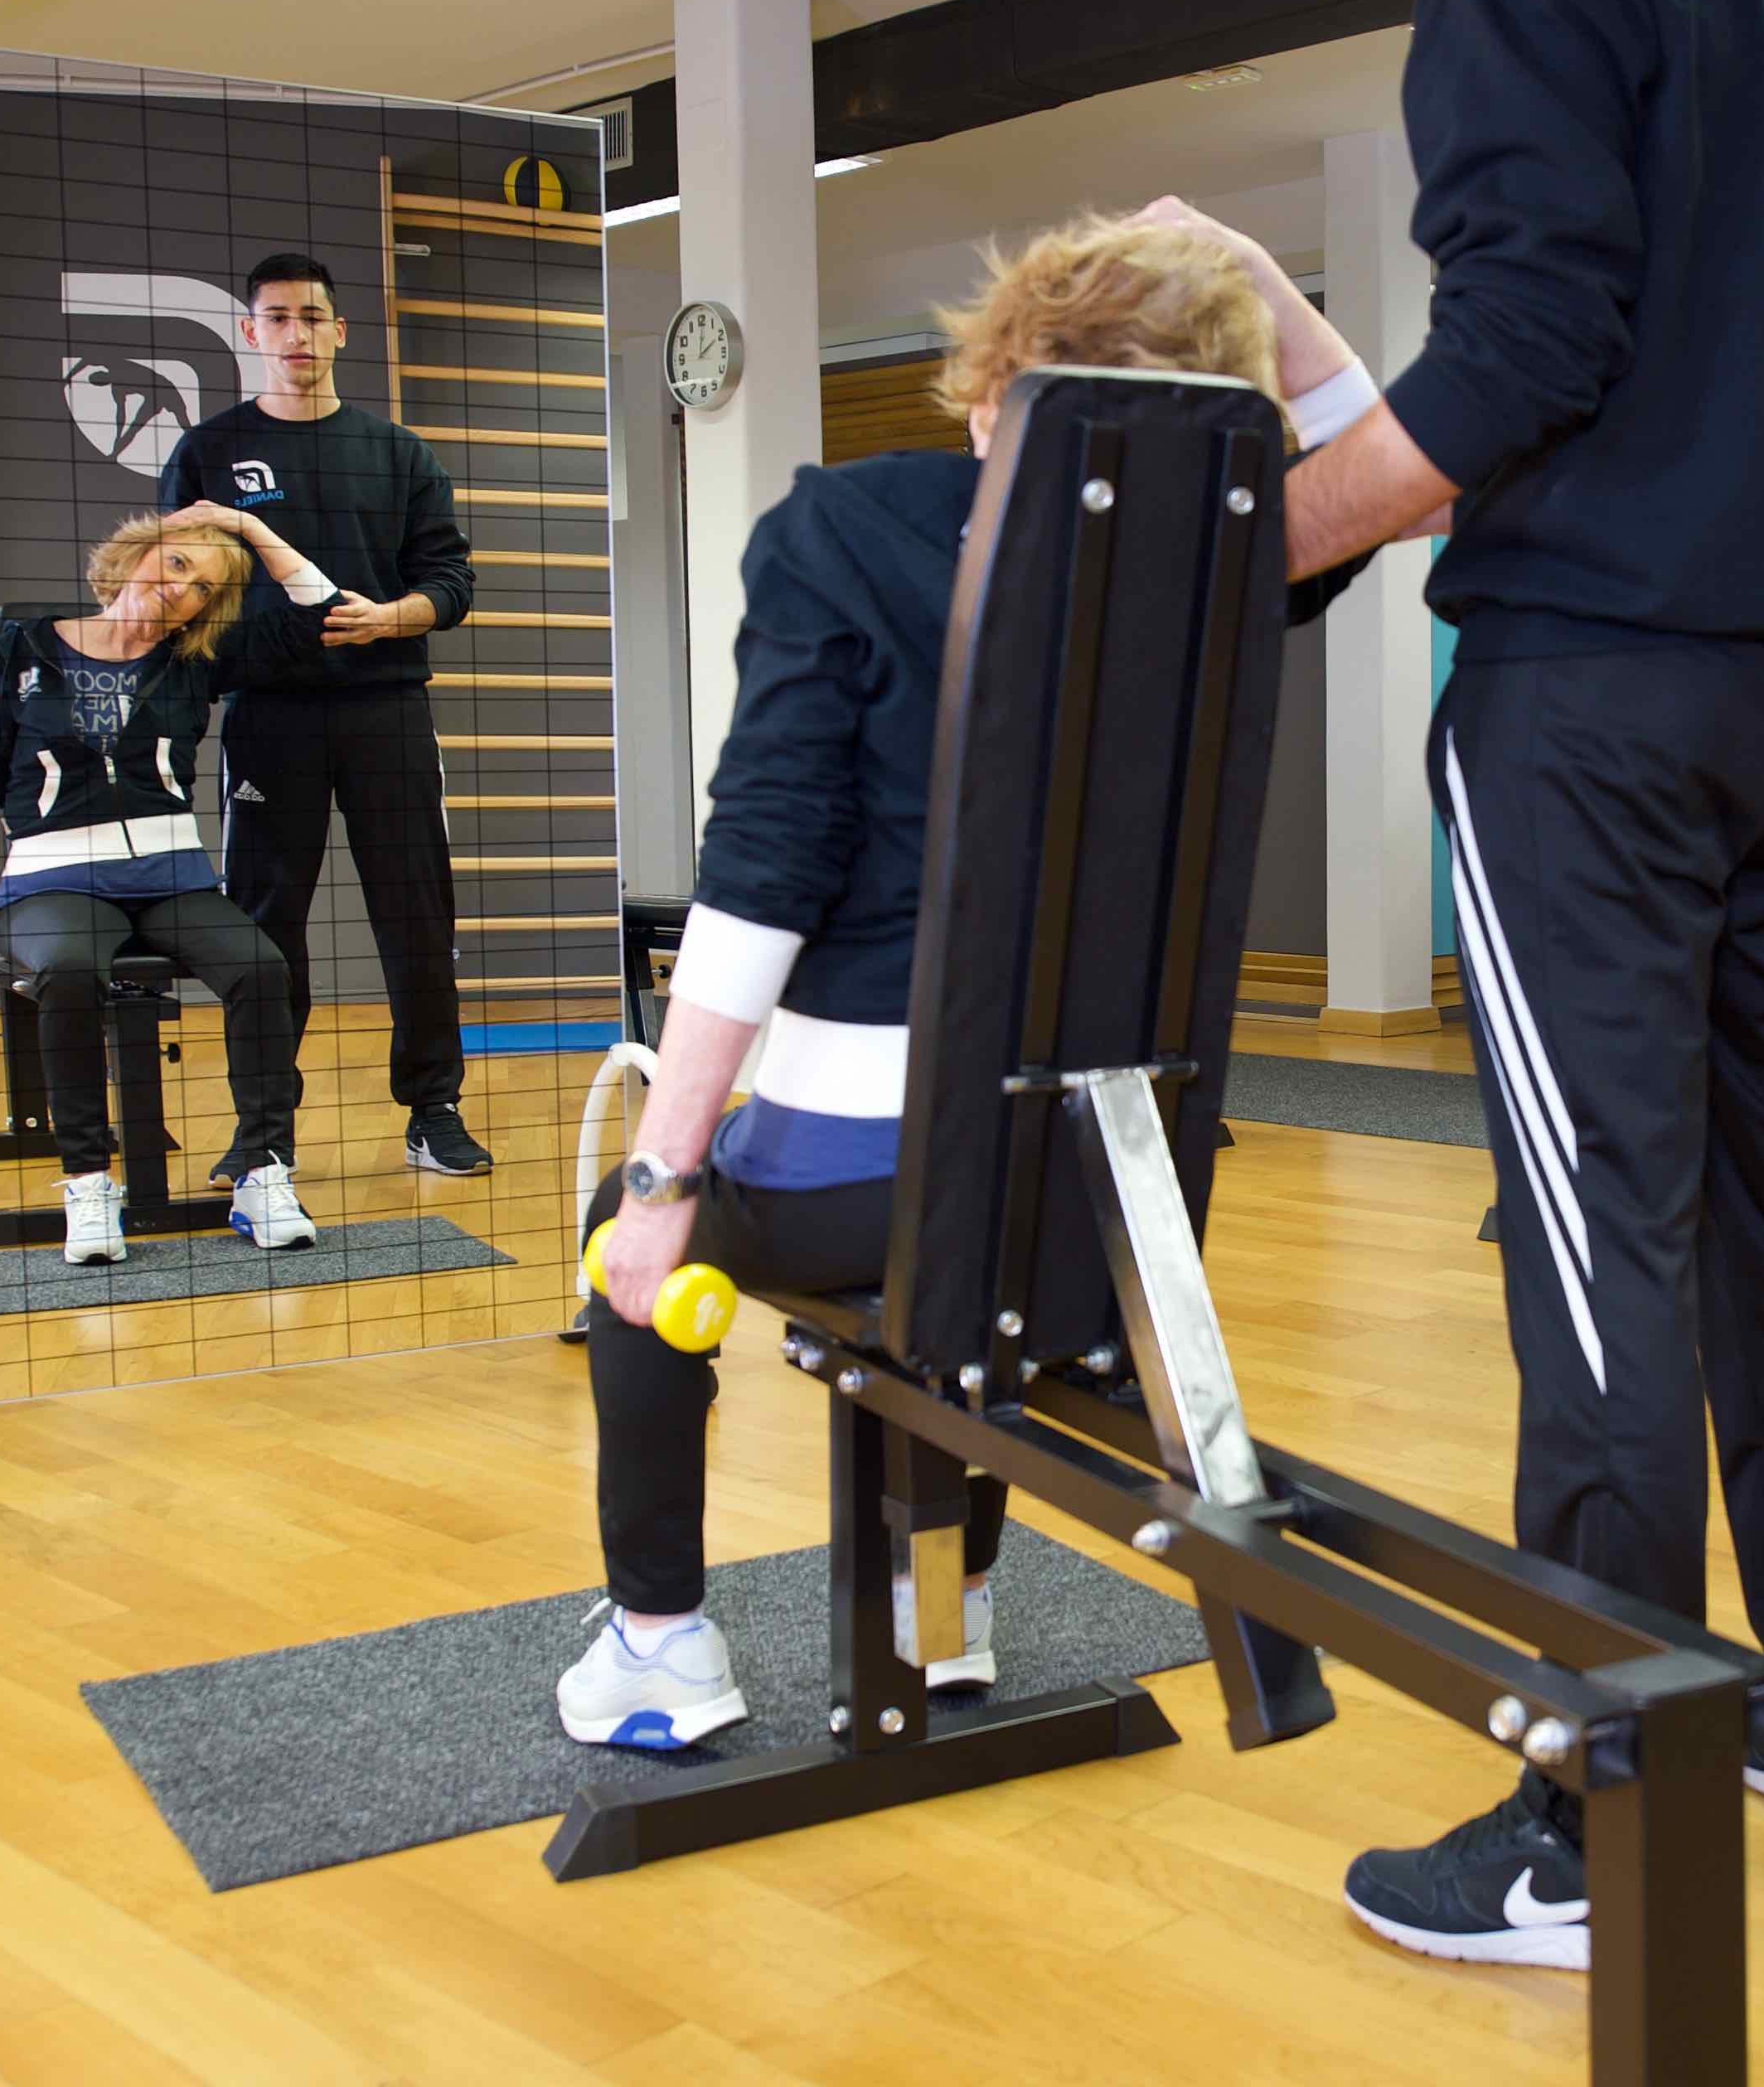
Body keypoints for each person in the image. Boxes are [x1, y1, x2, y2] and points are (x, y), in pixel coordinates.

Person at [1240, 0, 1764, 1972]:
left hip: (1602, 708)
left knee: (1601, 1235)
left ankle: (1593, 1819)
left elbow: (1536, 343)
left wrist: (1267, 540)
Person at [557, 211, 1382, 1751]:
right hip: (1106, 1197)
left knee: (633, 1230)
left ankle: (661, 1648)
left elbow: (766, 862)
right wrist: (1251, 275)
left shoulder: (849, 526)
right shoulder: (1226, 551)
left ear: (991, 387)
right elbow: (1393, 464)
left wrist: (666, 1168)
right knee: (972, 1278)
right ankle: (947, 1621)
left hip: (856, 1173)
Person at [157, 249, 492, 1184]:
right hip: (269, 719)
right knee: (264, 925)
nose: (297, 334)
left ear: (340, 330)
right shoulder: (208, 454)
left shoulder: (398, 453)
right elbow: (176, 582)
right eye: (278, 318)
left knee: (416, 917)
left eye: (313, 317)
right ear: (251, 333)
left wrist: (390, 617)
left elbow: (453, 583)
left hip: (385, 710)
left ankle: (434, 1109)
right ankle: (262, 1129)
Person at [0, 512, 337, 1265]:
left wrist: (242, 524)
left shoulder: (196, 661)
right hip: (53, 878)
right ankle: (88, 1183)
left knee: (262, 969)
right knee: (70, 972)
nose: (179, 587)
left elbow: (321, 608)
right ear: (135, 555)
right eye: (176, 562)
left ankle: (264, 1172)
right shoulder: (21, 649)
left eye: (201, 586)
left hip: (171, 878)